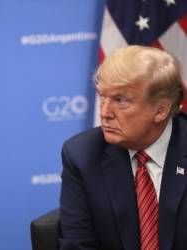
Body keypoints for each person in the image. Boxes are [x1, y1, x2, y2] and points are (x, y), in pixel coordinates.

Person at [59, 45, 187, 250]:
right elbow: (78, 245)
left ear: (161, 110)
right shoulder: (82, 155)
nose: (105, 112)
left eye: (120, 100)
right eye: (102, 97)